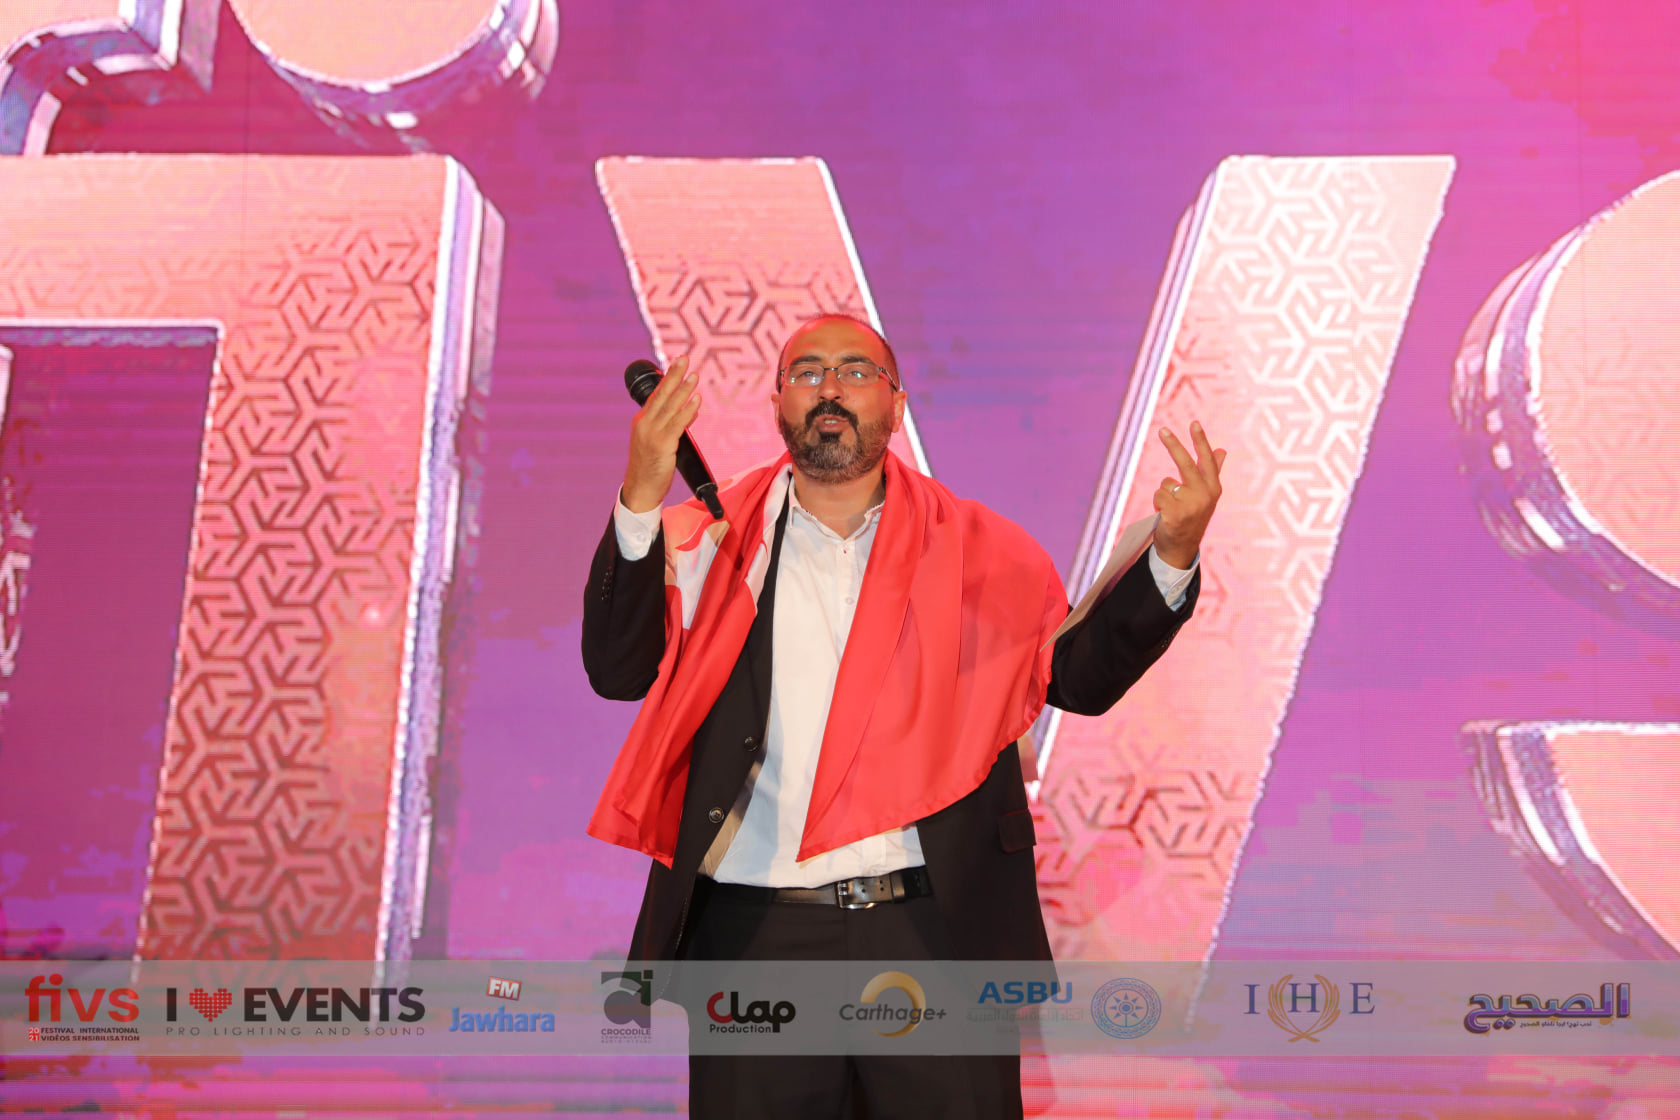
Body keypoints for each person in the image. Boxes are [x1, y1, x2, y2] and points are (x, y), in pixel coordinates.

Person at [582, 314, 1225, 1120]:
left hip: (936, 933)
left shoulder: (981, 550)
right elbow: (616, 670)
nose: (830, 388)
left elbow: (1079, 679)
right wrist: (642, 495)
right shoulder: (708, 540)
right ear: (777, 402)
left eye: (856, 371)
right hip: (756, 939)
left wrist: (1173, 553)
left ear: (897, 404)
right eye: (807, 372)